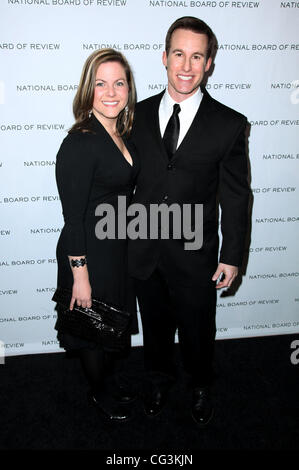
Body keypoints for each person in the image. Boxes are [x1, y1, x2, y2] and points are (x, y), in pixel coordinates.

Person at [129, 16, 250, 426]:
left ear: (209, 63)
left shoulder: (229, 124)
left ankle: (201, 384)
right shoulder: (134, 116)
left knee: (199, 330)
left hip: (195, 255)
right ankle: (158, 378)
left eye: (197, 56)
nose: (186, 65)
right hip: (144, 248)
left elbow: (236, 196)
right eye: (179, 53)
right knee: (156, 327)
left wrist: (232, 255)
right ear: (164, 57)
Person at [54, 48, 139, 422]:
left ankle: (105, 378)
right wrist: (80, 275)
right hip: (86, 250)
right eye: (100, 83)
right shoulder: (80, 142)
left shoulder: (120, 133)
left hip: (115, 248)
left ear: (128, 89)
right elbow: (72, 219)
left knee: (109, 322)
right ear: (88, 90)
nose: (110, 91)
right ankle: (98, 392)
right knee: (91, 324)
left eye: (118, 82)